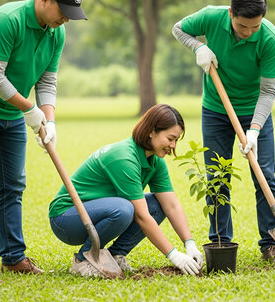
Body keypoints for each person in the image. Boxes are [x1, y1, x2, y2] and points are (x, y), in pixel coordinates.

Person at [0, 0, 87, 282]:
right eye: (63, 10)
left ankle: (13, 257)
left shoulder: (57, 32)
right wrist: (29, 109)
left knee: (13, 185)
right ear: (44, 0)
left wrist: (49, 120)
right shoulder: (7, 20)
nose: (66, 18)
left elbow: (47, 80)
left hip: (13, 110)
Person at [171, 0, 275, 264]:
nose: (248, 32)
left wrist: (255, 129)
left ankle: (271, 245)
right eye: (242, 25)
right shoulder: (211, 17)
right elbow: (178, 29)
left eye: (254, 26)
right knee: (216, 178)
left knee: (265, 177)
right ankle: (220, 241)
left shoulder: (270, 39)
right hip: (216, 109)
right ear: (230, 13)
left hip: (254, 111)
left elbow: (268, 92)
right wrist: (198, 46)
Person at [48, 104, 202, 277]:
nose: (173, 146)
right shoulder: (124, 158)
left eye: (176, 140)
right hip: (66, 219)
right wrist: (174, 255)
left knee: (158, 204)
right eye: (170, 138)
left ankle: (115, 255)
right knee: (124, 208)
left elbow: (171, 205)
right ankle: (84, 259)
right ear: (152, 131)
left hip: (96, 215)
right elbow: (142, 216)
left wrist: (189, 244)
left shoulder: (155, 161)